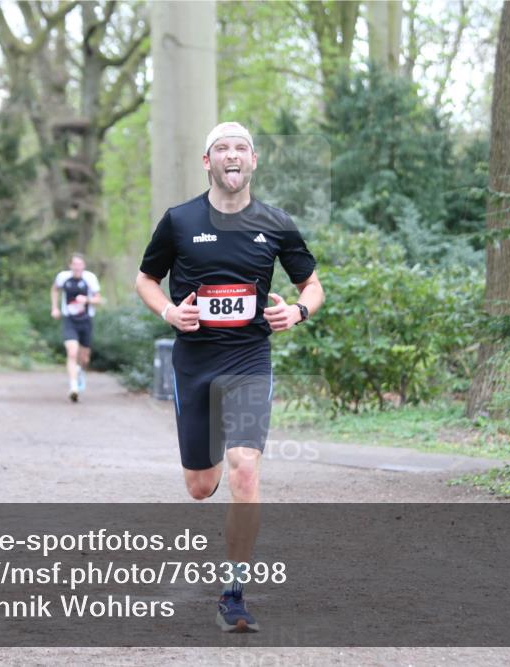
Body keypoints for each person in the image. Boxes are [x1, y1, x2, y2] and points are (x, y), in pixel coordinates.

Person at [135, 122, 324, 632]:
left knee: (245, 470)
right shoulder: (179, 221)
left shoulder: (277, 223)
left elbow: (312, 285)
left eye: (241, 147)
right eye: (222, 148)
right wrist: (170, 313)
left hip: (248, 360)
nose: (232, 155)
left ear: (254, 161)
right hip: (194, 363)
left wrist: (298, 312)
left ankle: (233, 595)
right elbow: (146, 279)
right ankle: (211, 450)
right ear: (208, 162)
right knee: (201, 487)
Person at [51, 253, 102, 402]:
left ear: (84, 266)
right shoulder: (63, 277)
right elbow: (54, 289)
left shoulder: (90, 278)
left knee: (84, 358)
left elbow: (98, 299)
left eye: (80, 264)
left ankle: (80, 371)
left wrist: (87, 299)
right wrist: (55, 308)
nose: (77, 267)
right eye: (75, 264)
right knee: (72, 353)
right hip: (69, 320)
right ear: (70, 265)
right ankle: (73, 387)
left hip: (86, 320)